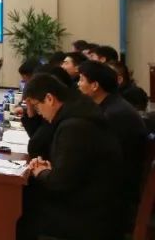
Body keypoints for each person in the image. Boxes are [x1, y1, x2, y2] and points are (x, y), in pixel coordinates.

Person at [17, 73, 123, 240]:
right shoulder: (78, 110)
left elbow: (60, 182)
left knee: (22, 207)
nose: (39, 113)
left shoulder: (74, 126)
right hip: (94, 199)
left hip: (88, 214)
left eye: (37, 107)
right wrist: (49, 169)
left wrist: (42, 172)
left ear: (49, 99)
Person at [77, 60, 146, 228]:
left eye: (81, 80)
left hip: (115, 198)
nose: (78, 84)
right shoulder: (112, 105)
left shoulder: (113, 114)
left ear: (95, 85)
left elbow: (97, 159)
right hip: (114, 185)